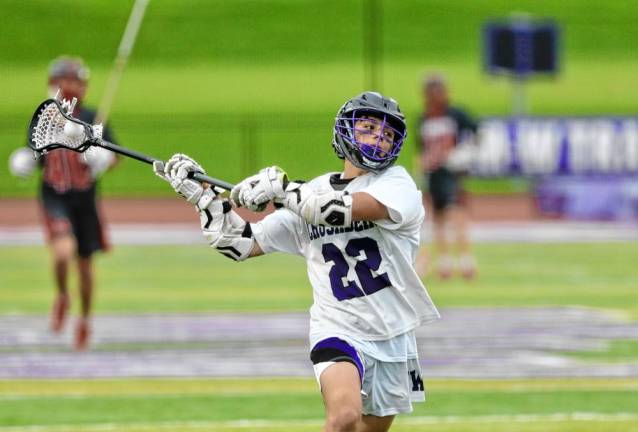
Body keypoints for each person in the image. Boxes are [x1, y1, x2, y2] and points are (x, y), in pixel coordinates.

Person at [154, 91, 440, 431]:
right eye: (367, 127)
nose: (378, 138)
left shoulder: (398, 185)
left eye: (387, 134)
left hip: (392, 332)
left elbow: (338, 210)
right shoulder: (313, 191)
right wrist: (206, 200)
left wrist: (284, 192)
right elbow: (239, 243)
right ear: (345, 131)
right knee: (343, 418)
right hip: (337, 328)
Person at [8, 56, 118, 351]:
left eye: (75, 81)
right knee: (62, 252)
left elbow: (114, 155)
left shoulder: (94, 118)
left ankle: (84, 319)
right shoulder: (45, 116)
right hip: (54, 194)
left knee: (84, 265)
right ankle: (61, 295)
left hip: (85, 198)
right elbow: (35, 152)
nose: (70, 86)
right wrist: (25, 162)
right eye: (64, 80)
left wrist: (101, 158)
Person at [414, 73, 478, 280]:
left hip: (452, 173)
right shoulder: (423, 118)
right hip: (434, 174)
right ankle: (444, 262)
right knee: (438, 217)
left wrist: (464, 153)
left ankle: (466, 260)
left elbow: (477, 130)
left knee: (457, 215)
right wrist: (421, 168)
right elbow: (421, 149)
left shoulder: (455, 114)